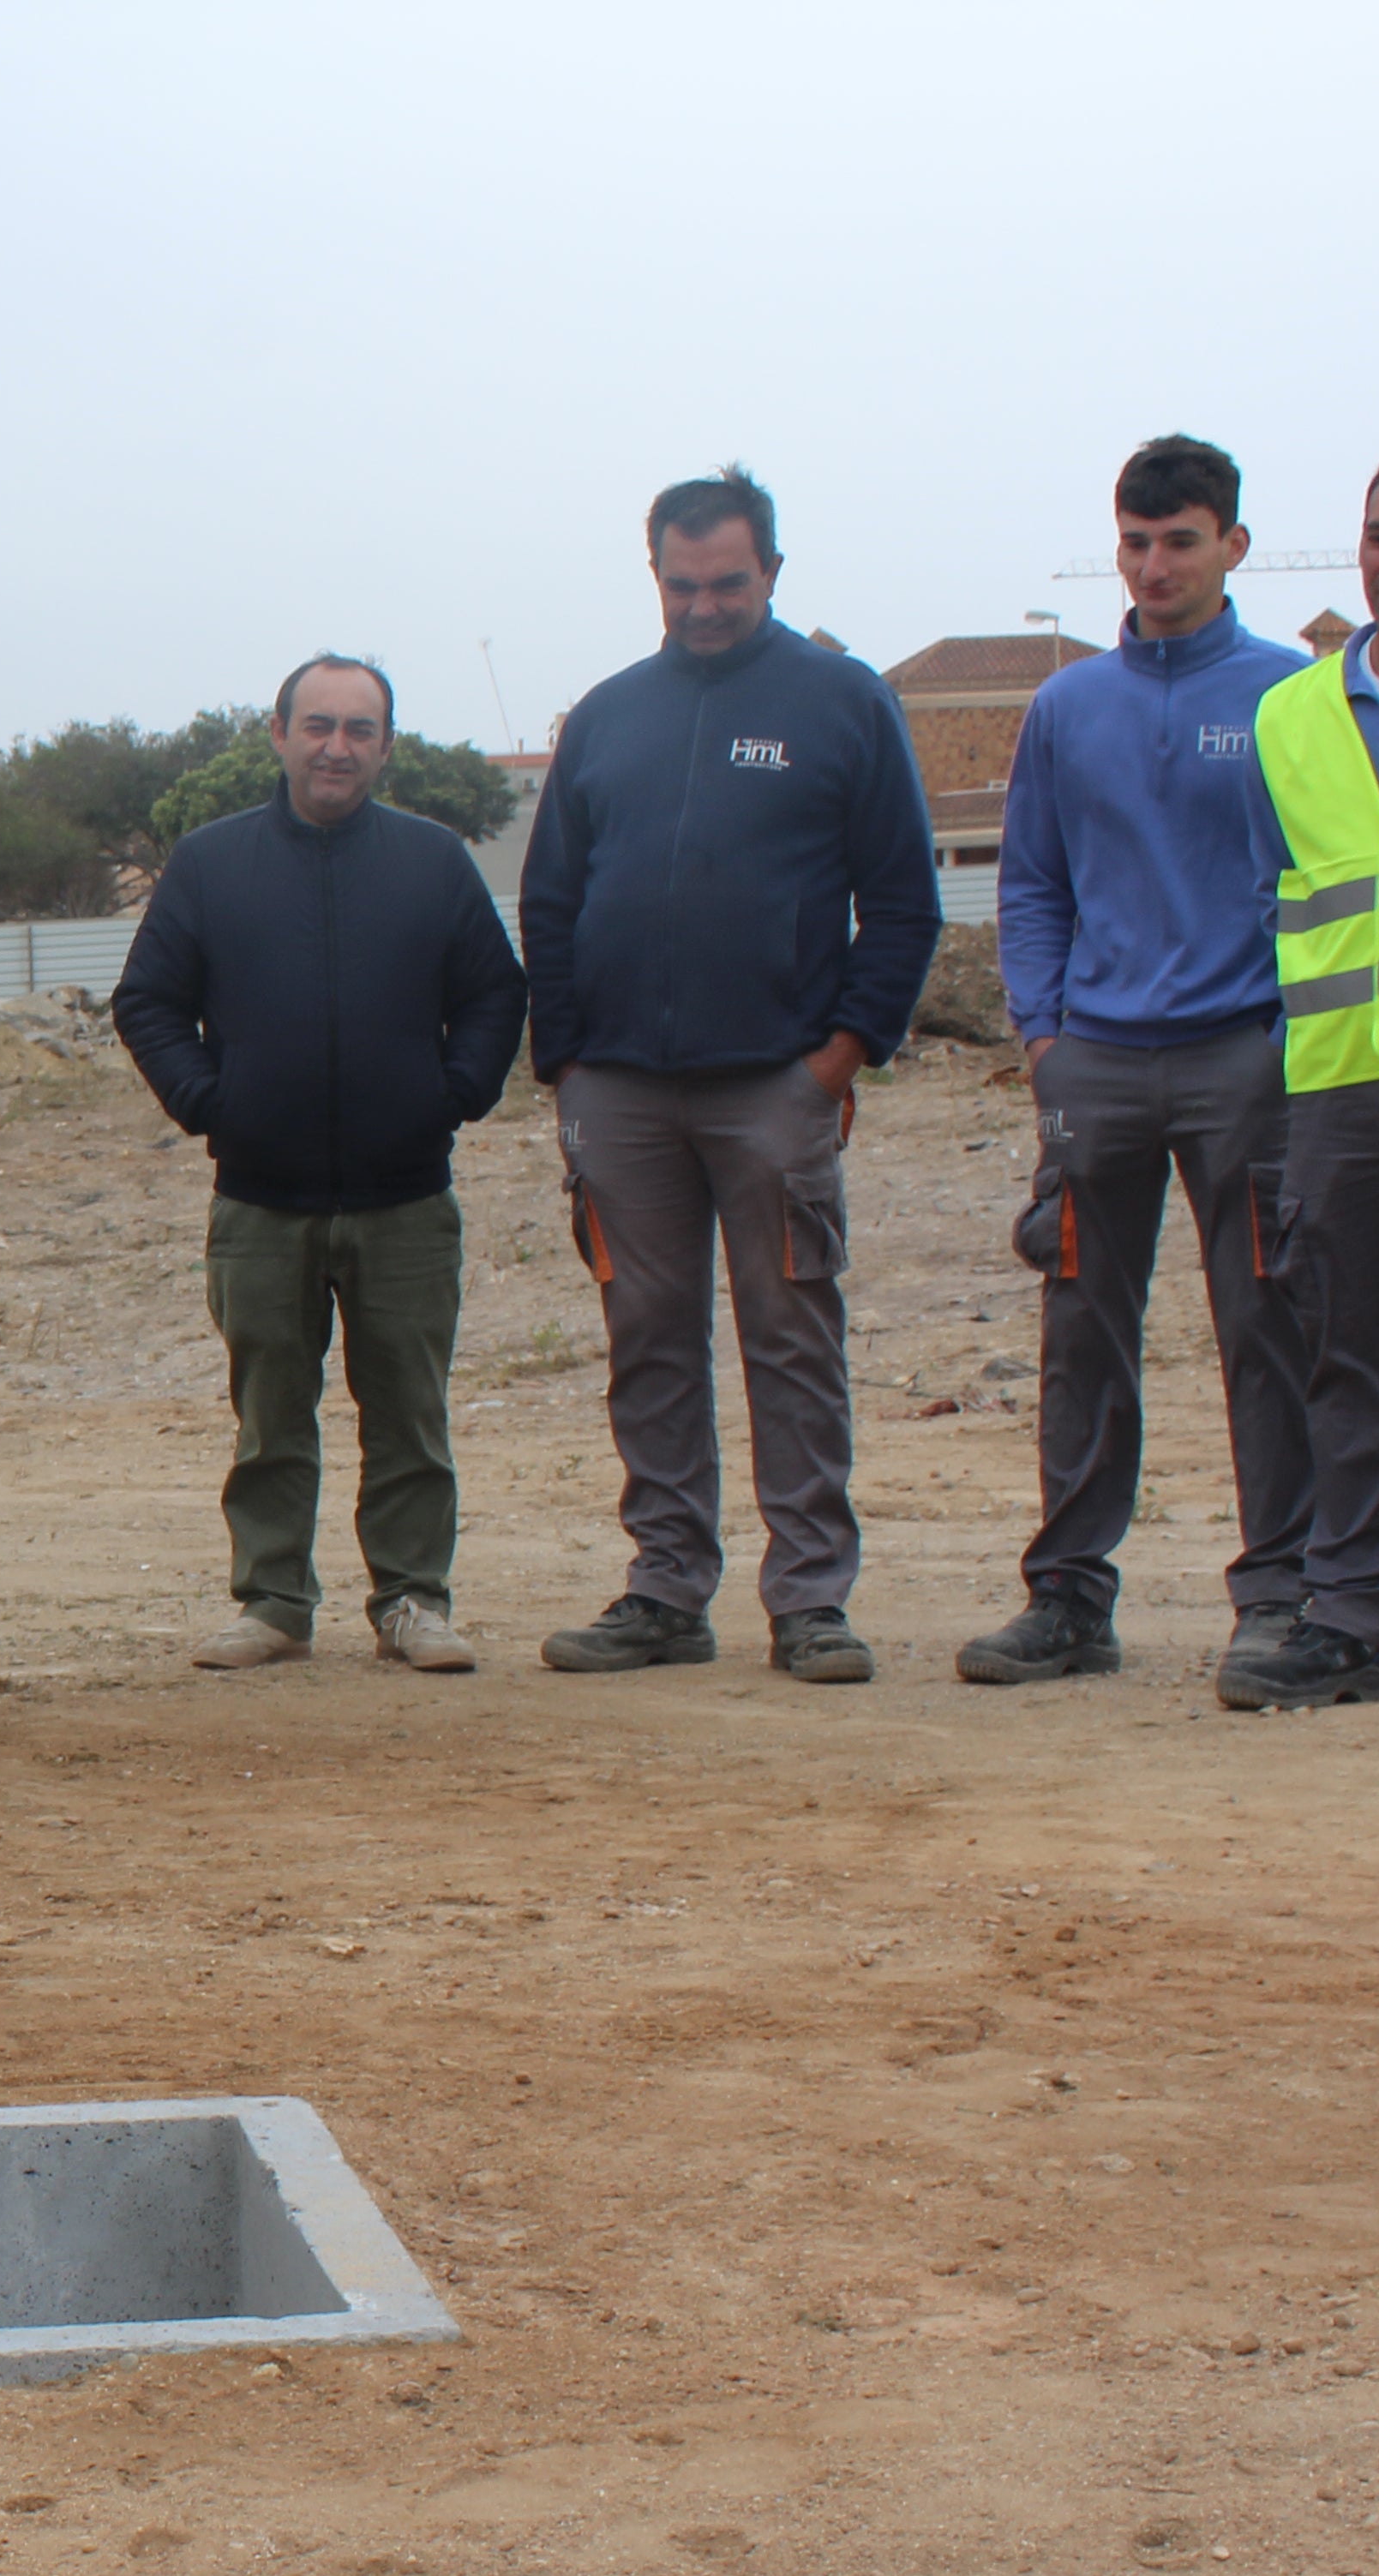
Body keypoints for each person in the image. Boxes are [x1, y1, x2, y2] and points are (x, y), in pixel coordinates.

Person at [521, 467, 938, 1685]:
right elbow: (551, 898)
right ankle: (664, 1591)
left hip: (777, 1086)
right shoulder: (605, 716)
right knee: (647, 1335)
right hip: (622, 1094)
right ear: (653, 575)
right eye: (681, 584)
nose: (704, 606)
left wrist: (839, 1058)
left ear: (772, 573)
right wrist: (568, 1063)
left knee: (791, 1337)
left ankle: (810, 1599)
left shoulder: (844, 703)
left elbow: (903, 905)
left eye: (728, 584)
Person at [967, 435, 1311, 1692]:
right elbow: (1033, 884)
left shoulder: (1289, 696)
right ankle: (1067, 1598)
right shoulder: (1067, 709)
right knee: (1082, 1334)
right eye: (1135, 541)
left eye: (1180, 541)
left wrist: (1287, 1034)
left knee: (1270, 1325)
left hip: (1246, 1058)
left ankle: (1281, 1592)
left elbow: (1310, 879)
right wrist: (1045, 1037)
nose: (1154, 564)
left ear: (1232, 546)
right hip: (1096, 1064)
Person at [114, 655, 526, 1674]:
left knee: (410, 1419)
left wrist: (452, 1093)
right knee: (268, 1420)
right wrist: (215, 1104)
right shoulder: (212, 864)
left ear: (386, 746)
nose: (336, 746)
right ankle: (273, 1602)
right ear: (280, 734)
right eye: (318, 725)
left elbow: (493, 995)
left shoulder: (434, 863)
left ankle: (413, 1600)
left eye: (359, 729)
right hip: (261, 1201)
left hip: (405, 1202)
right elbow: (149, 1002)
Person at [1230, 446, 1379, 1710]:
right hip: (1338, 1092)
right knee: (1356, 1362)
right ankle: (1356, 1621)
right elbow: (1278, 894)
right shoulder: (1289, 714)